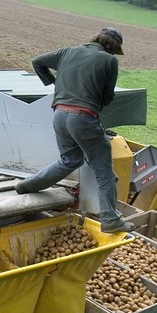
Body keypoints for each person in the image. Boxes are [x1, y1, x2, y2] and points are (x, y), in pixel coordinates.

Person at [15, 27, 136, 234]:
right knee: (104, 171)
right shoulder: (109, 61)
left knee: (69, 160)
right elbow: (107, 97)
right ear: (113, 48)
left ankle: (28, 185)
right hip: (83, 118)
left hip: (59, 115)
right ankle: (111, 219)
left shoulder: (67, 52)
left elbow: (37, 61)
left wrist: (55, 84)